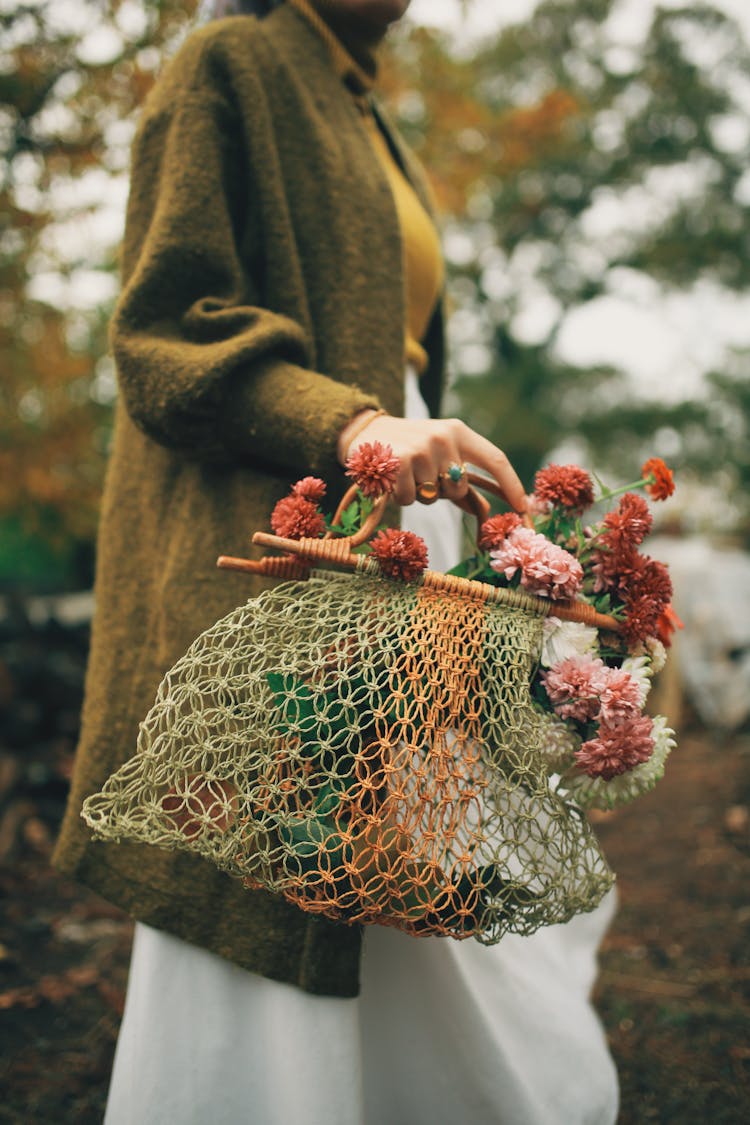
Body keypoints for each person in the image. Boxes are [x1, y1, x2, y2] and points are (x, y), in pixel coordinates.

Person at [53, 1, 619, 1120]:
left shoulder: (360, 101)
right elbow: (163, 335)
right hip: (288, 547)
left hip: (394, 531)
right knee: (280, 878)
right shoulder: (233, 62)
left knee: (404, 861)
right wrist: (358, 430)